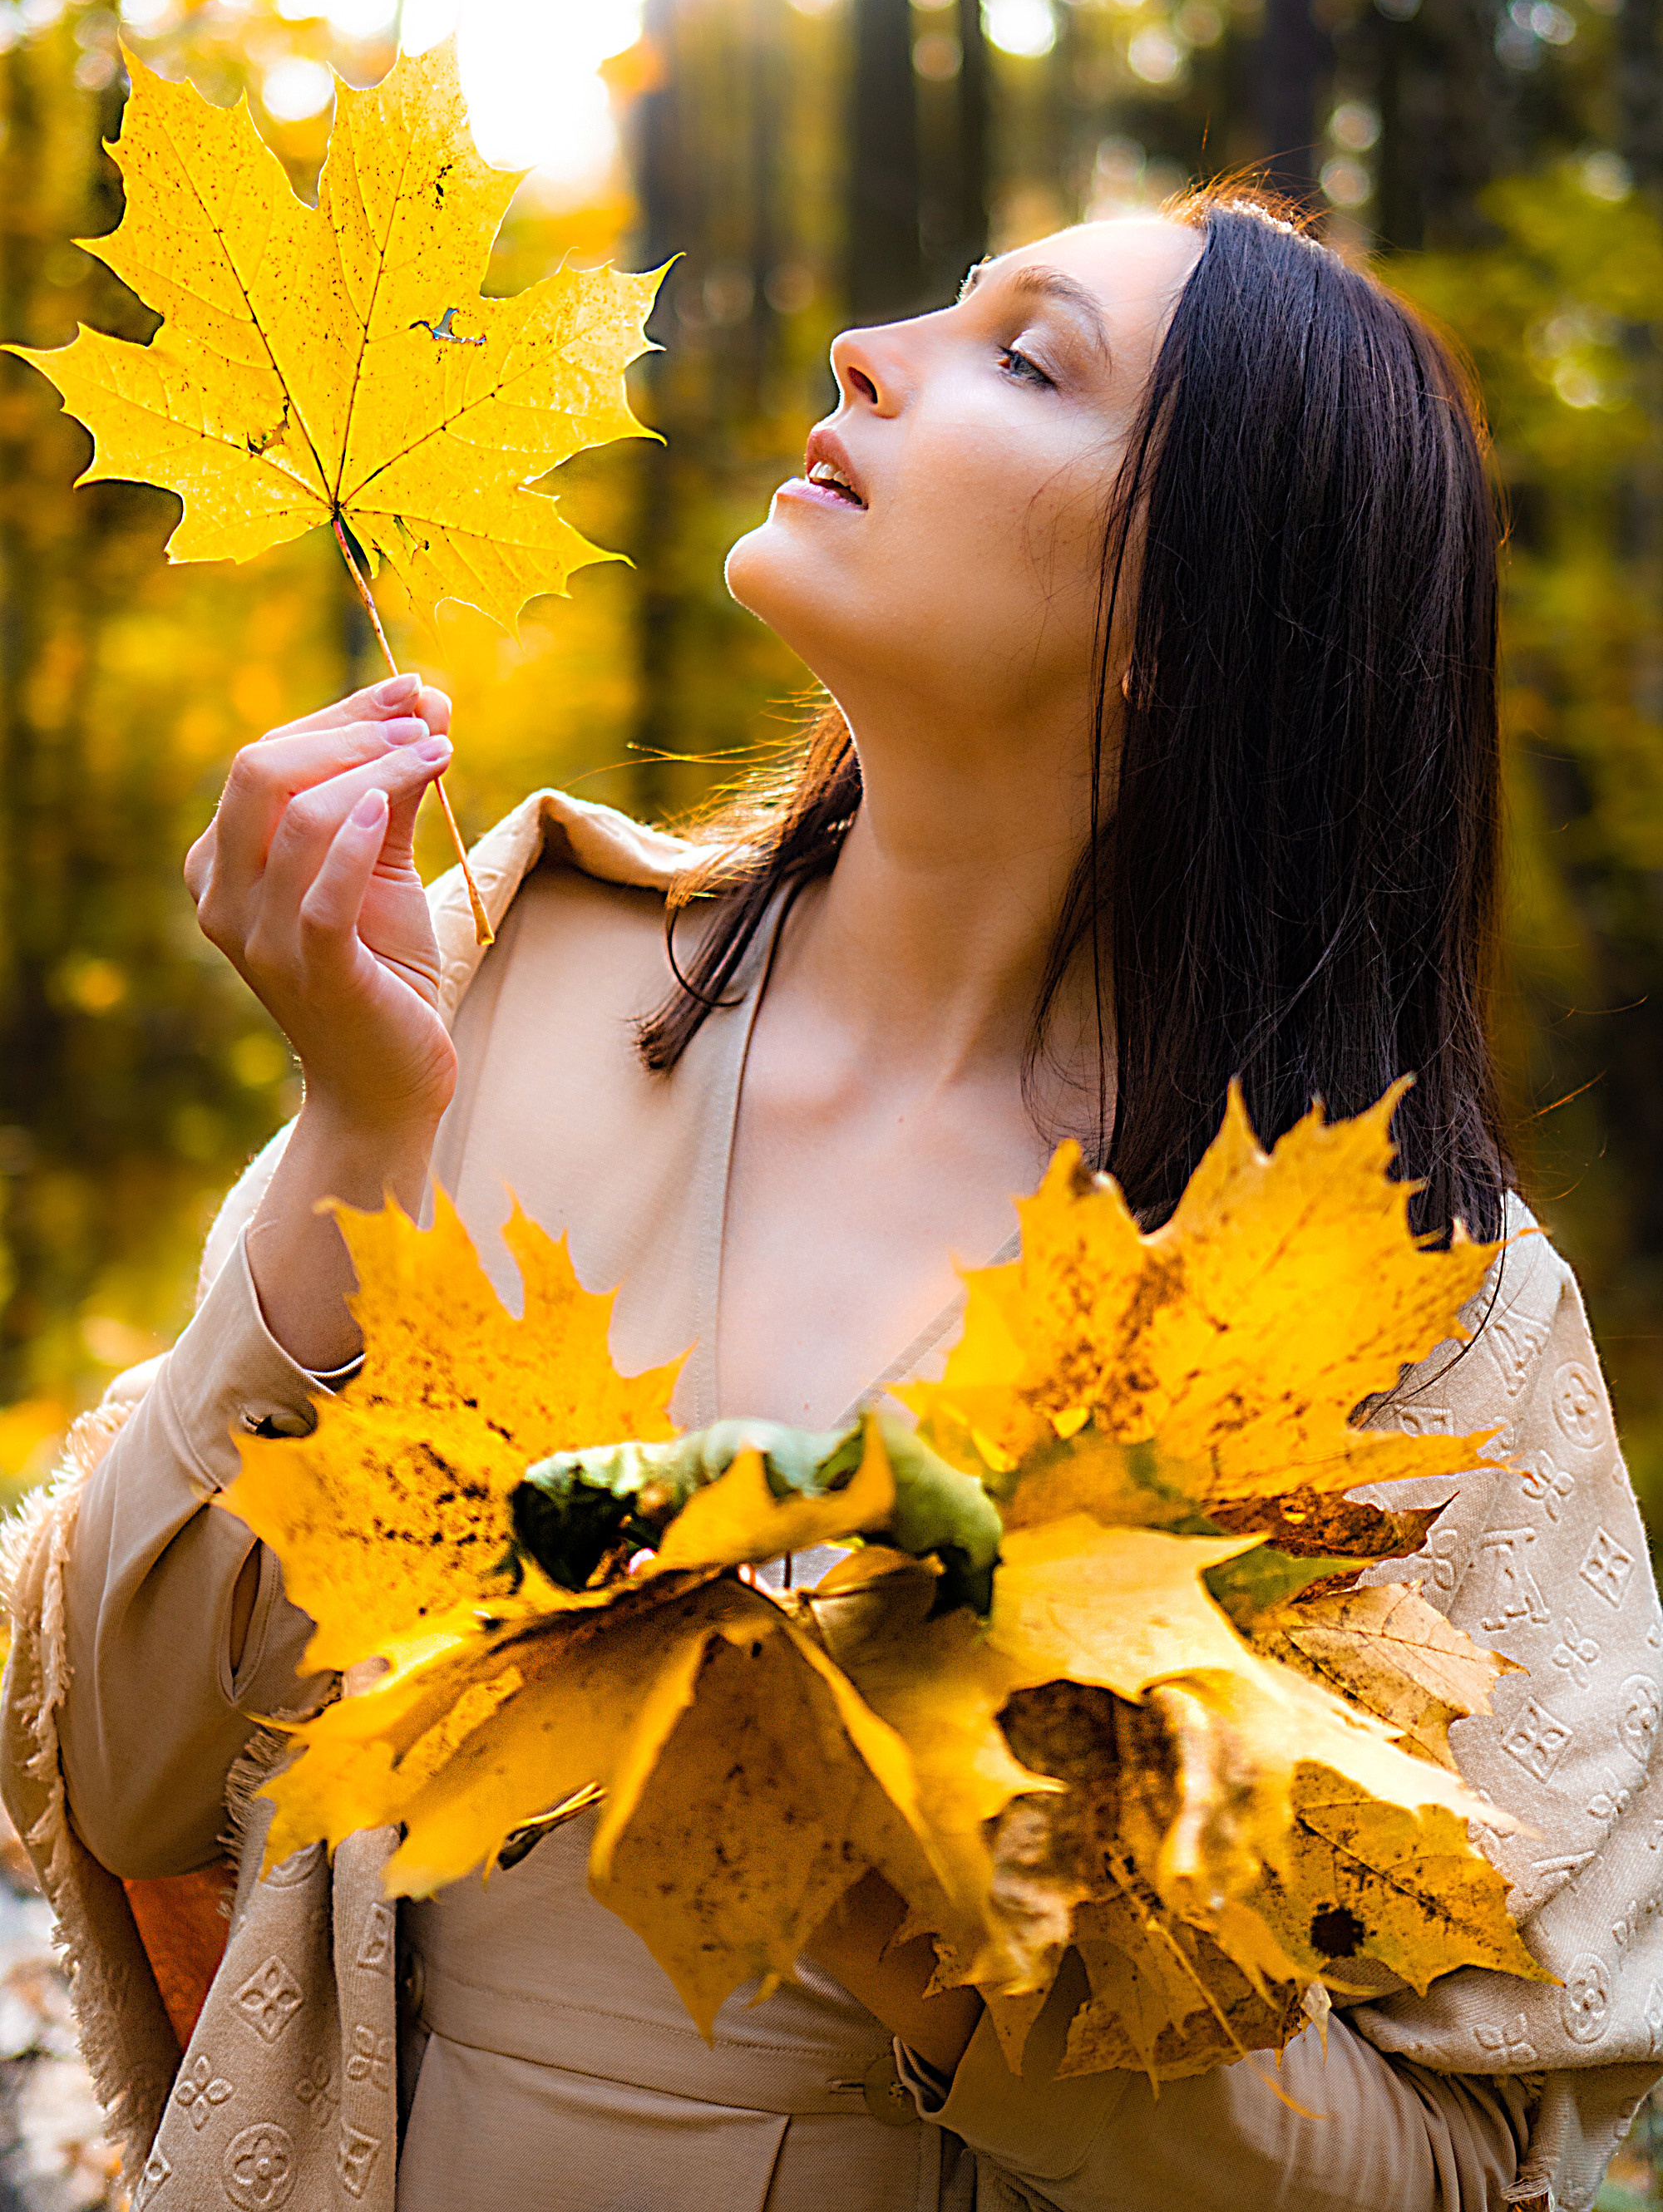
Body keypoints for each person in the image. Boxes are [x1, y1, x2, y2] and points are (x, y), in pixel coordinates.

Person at [5, 190, 1661, 2212]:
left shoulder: (1416, 1307)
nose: (868, 344)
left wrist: (932, 1942)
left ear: (1188, 628)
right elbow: (131, 1772)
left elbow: (1479, 2172)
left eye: (1026, 359)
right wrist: (360, 1128)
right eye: (942, 306)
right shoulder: (499, 979)